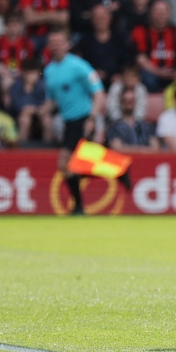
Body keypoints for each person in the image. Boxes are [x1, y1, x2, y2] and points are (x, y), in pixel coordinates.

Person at [43, 27, 109, 215]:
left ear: (67, 44)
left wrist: (93, 117)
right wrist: (41, 111)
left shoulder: (79, 66)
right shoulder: (49, 71)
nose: (56, 46)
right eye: (52, 43)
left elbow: (98, 92)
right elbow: (52, 99)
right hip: (67, 121)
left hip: (83, 118)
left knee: (65, 162)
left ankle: (78, 207)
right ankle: (119, 172)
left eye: (59, 42)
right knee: (82, 163)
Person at [106, 87, 159, 153]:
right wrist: (142, 150)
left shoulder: (147, 126)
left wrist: (128, 148)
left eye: (131, 100)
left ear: (135, 102)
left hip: (145, 162)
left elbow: (155, 149)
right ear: (121, 102)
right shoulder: (113, 127)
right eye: (126, 100)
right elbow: (117, 149)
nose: (129, 103)